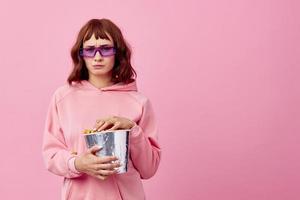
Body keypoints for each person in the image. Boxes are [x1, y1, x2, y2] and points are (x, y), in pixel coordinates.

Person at [42, 18, 161, 200]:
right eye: (90, 50)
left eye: (105, 48)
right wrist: (78, 163)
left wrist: (132, 130)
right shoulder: (63, 97)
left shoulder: (139, 102)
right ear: (81, 54)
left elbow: (149, 169)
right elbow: (51, 155)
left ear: (118, 52)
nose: (97, 57)